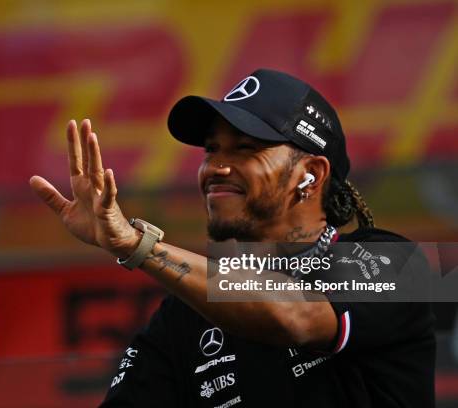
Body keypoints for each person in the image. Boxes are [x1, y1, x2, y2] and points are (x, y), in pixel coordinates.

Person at [30, 69, 435, 407]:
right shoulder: (184, 315)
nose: (216, 168)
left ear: (311, 174)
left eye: (245, 149)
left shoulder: (392, 260)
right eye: (211, 150)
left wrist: (138, 245)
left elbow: (295, 315)